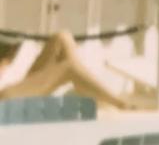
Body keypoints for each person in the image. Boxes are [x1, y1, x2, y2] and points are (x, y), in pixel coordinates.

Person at [0, 31, 131, 108]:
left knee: (62, 37)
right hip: (5, 101)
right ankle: (120, 104)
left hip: (9, 92)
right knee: (68, 67)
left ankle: (86, 89)